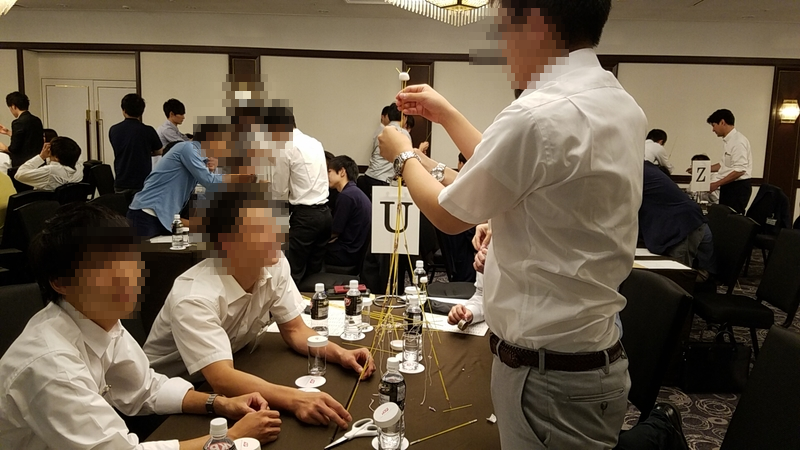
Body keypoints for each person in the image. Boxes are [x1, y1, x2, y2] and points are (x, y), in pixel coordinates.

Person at [378, 1, 649, 448]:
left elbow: (448, 214)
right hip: (590, 355)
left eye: (504, 28)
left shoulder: (537, 113)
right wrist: (446, 115)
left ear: (536, 23)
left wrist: (402, 155)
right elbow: (519, 167)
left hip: (548, 374)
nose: (503, 46)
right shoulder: (619, 102)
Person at [0, 202, 281, 449]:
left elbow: (146, 388)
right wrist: (229, 437)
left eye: (128, 259)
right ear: (60, 282)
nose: (125, 276)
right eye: (102, 267)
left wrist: (220, 403)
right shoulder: (51, 365)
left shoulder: (98, 319)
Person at [144, 190, 375, 430]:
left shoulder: (274, 262)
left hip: (229, 371)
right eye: (260, 229)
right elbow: (221, 379)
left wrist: (340, 354)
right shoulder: (194, 297)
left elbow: (295, 330)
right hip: (173, 396)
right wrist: (296, 399)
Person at [126, 123, 231, 238]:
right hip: (148, 213)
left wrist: (211, 170)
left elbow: (207, 193)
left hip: (164, 218)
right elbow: (210, 182)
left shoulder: (199, 161)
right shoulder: (188, 148)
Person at [271, 113, 331, 284]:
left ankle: (292, 302)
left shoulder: (285, 148)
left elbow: (279, 189)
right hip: (325, 214)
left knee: (291, 271)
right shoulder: (314, 142)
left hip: (305, 217)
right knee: (314, 273)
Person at [640, 161, 715, 272]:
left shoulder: (636, 172)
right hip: (676, 226)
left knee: (676, 275)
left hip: (682, 228)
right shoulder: (641, 168)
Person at [109, 93, 164, 202]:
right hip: (142, 181)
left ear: (123, 110)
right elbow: (159, 151)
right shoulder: (148, 130)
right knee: (140, 210)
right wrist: (147, 151)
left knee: (121, 210)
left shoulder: (114, 130)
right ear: (142, 111)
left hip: (121, 179)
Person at [325, 155, 371, 267]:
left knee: (308, 249)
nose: (326, 176)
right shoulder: (355, 192)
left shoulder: (346, 196)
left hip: (346, 253)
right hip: (355, 251)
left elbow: (335, 231)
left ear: (342, 172)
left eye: (329, 171)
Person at [361, 104, 412, 200]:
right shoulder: (402, 132)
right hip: (381, 179)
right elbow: (407, 158)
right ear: (404, 117)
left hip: (369, 175)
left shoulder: (381, 130)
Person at [706, 109, 752, 214]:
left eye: (714, 125)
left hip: (737, 187)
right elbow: (723, 165)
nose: (713, 130)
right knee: (724, 217)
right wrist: (701, 168)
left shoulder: (738, 141)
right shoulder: (729, 141)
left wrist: (717, 184)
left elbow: (740, 170)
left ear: (722, 122)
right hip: (729, 186)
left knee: (731, 219)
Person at [14, 136, 84, 190]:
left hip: (42, 202)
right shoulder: (79, 168)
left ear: (56, 157)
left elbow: (19, 175)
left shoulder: (50, 171)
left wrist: (41, 157)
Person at [0, 91, 44, 168]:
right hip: (37, 162)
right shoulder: (37, 120)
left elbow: (14, 148)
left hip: (23, 164)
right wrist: (8, 132)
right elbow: (27, 138)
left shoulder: (18, 122)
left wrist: (4, 148)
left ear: (13, 106)